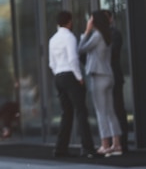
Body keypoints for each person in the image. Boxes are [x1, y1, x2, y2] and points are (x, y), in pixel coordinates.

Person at [48, 10, 100, 158]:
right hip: (70, 75)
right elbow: (73, 59)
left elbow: (51, 63)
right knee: (81, 112)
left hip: (58, 76)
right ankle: (88, 148)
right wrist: (79, 77)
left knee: (67, 113)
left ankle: (60, 148)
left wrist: (58, 74)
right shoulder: (69, 37)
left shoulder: (52, 39)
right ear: (69, 22)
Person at [78, 10, 123, 157]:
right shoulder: (108, 35)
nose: (89, 20)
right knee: (110, 112)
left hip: (98, 77)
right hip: (109, 76)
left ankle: (105, 145)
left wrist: (86, 31)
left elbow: (81, 49)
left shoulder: (97, 36)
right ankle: (116, 144)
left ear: (94, 21)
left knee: (101, 112)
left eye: (90, 19)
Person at [103, 9, 129, 153]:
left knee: (118, 109)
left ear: (111, 19)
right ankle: (112, 143)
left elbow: (113, 53)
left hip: (114, 77)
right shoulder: (98, 35)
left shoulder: (115, 34)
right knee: (107, 111)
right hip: (103, 77)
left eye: (107, 18)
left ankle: (122, 143)